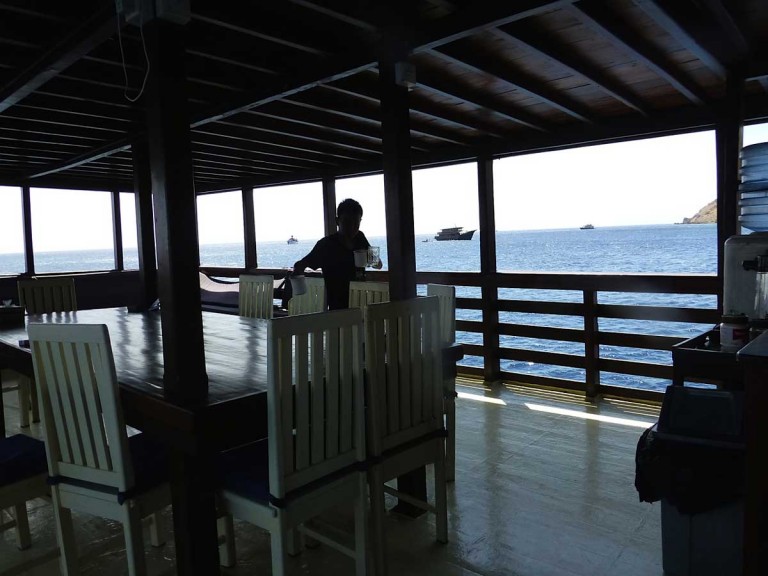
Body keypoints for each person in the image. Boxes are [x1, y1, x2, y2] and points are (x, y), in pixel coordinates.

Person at [292, 198, 382, 310]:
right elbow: (301, 264)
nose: (352, 227)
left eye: (356, 223)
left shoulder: (360, 237)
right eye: (347, 222)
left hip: (361, 303)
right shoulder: (326, 245)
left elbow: (378, 264)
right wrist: (297, 272)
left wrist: (372, 259)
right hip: (338, 308)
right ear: (337, 221)